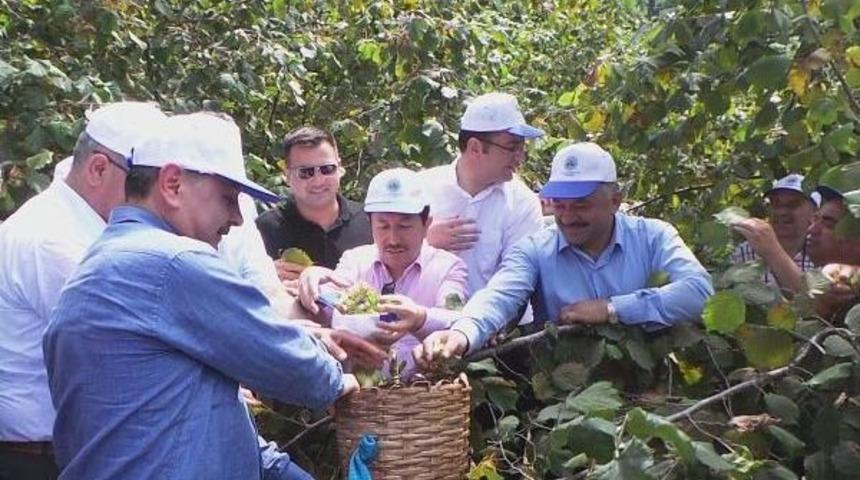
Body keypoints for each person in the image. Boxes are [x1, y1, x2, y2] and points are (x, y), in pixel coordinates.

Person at [43, 113, 381, 480]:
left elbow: (206, 422)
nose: (238, 218)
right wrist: (339, 382)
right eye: (228, 198)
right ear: (172, 184)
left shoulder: (106, 261)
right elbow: (290, 364)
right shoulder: (173, 262)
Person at [414, 142, 714, 363]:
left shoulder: (654, 237)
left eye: (581, 205)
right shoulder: (535, 250)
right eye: (560, 205)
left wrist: (611, 309)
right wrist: (462, 334)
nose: (568, 217)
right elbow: (499, 297)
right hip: (563, 397)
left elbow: (699, 291)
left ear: (615, 201)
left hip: (654, 381)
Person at [0, 102, 166, 480]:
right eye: (146, 179)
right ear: (98, 169)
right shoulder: (50, 239)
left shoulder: (87, 227)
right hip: (34, 461)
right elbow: (133, 346)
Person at [298, 168, 468, 377]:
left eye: (405, 226)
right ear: (370, 224)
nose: (393, 239)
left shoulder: (447, 267)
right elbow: (330, 305)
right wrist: (312, 285)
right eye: (383, 226)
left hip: (424, 396)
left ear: (426, 224)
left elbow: (458, 321)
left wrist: (420, 318)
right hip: (360, 399)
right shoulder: (355, 261)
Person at [418, 92, 545, 324]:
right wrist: (424, 242)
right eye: (512, 147)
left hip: (497, 334)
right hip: (422, 332)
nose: (520, 157)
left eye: (522, 148)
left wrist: (475, 329)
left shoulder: (522, 203)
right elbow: (383, 258)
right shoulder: (421, 189)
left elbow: (517, 280)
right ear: (475, 147)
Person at [256, 127, 372, 282]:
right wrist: (263, 275)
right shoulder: (263, 229)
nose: (318, 180)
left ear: (339, 167)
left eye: (327, 169)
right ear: (287, 175)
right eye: (306, 172)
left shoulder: (370, 221)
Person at [730, 173, 816, 291]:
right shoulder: (746, 251)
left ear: (815, 213)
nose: (781, 212)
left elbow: (817, 302)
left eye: (793, 204)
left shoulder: (823, 251)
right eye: (776, 204)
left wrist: (772, 252)